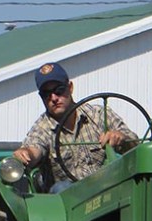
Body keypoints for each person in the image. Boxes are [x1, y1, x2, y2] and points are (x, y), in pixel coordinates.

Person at [13, 62, 138, 191]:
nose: (54, 98)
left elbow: (135, 145)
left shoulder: (98, 115)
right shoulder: (43, 127)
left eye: (59, 90)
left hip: (105, 188)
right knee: (61, 187)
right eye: (47, 94)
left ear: (70, 87)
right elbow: (35, 147)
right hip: (70, 198)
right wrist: (26, 154)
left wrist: (120, 137)